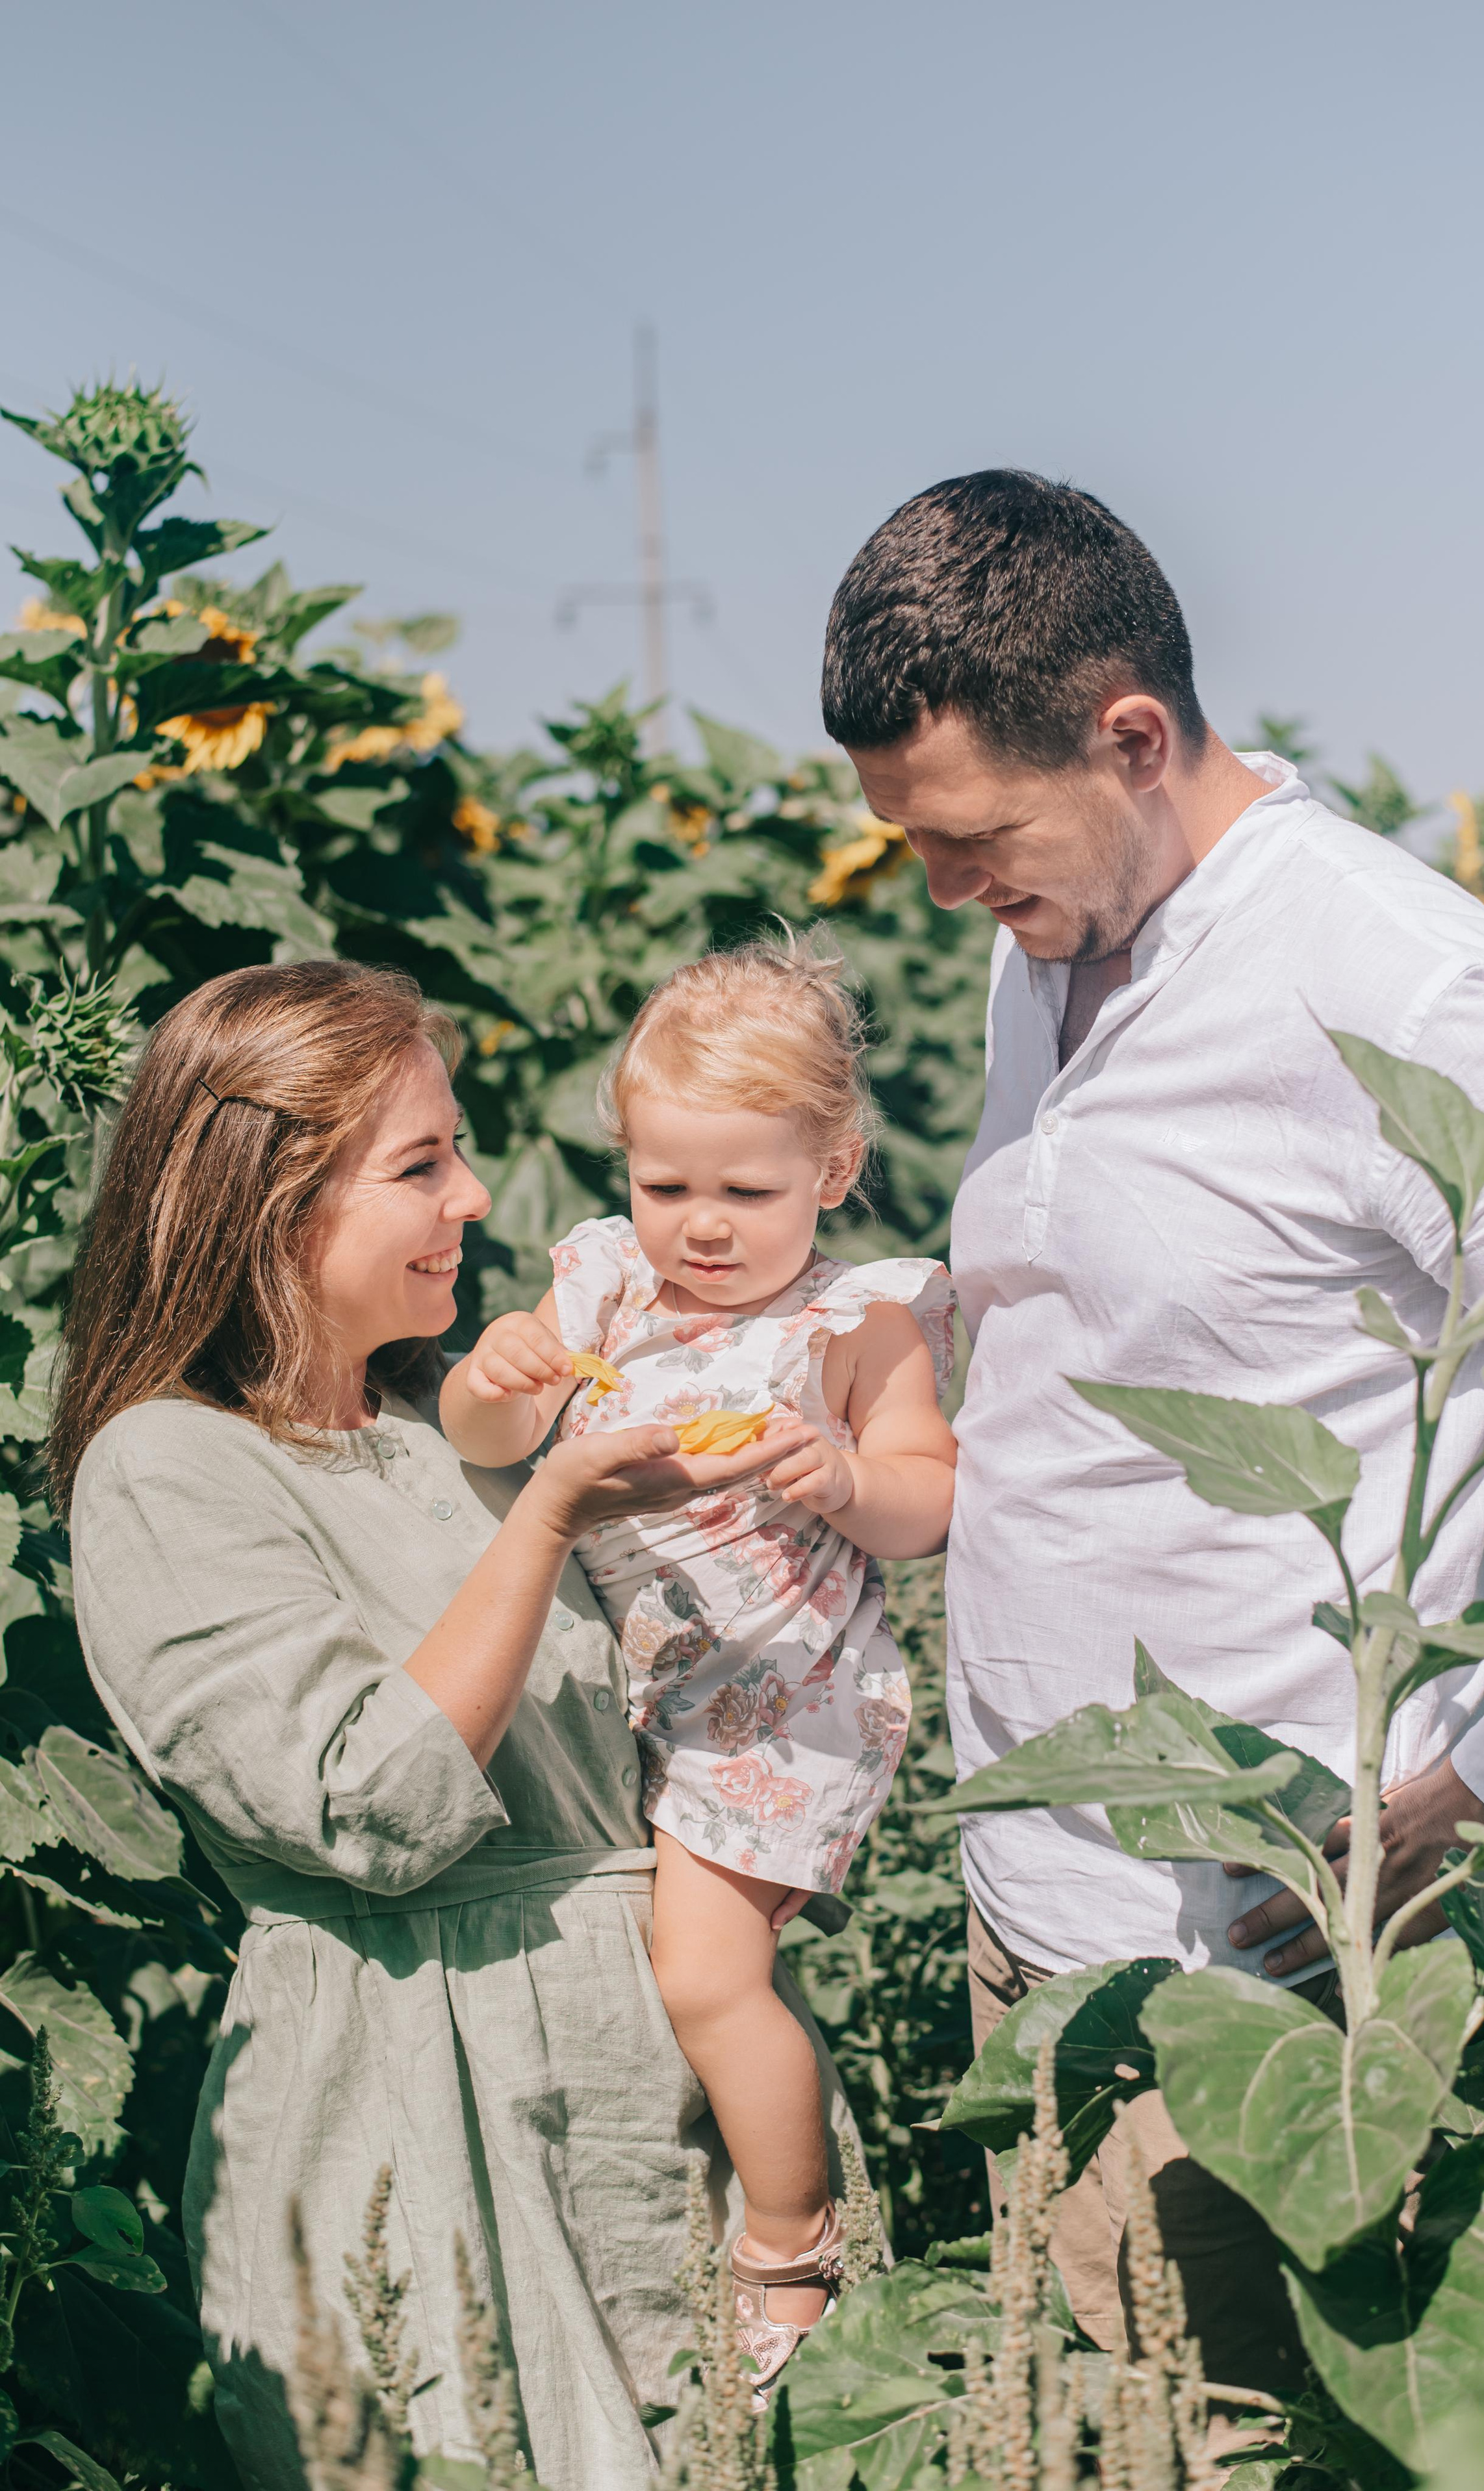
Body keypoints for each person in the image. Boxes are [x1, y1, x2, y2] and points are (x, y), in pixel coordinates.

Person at [819, 468, 1484, 2385]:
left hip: (1276, 1973)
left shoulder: (1396, 975)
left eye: (969, 838)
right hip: (1045, 1922)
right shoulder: (1051, 929)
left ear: (1131, 736)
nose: (940, 887)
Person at [55, 958, 866, 2488]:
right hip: (416, 2096)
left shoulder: (458, 1427)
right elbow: (364, 1803)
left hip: (647, 2099)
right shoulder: (170, 1467)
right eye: (421, 1164)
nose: (476, 1198)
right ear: (271, 1200)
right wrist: (550, 1514)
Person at [440, 935, 956, 2398]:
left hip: (780, 1701)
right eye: (664, 1187)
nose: (701, 1229)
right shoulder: (605, 1286)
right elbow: (489, 1445)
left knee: (708, 1974)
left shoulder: (852, 1319)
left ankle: (787, 2245)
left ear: (834, 1172)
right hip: (631, 1681)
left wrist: (844, 1474)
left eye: (746, 1191)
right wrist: (494, 1384)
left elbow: (930, 1500)